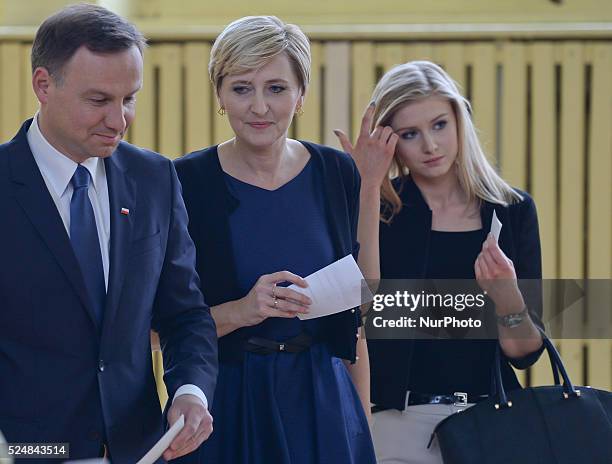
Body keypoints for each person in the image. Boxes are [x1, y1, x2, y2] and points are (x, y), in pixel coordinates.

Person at [0, 5, 217, 462]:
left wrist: (191, 391)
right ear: (43, 84)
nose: (119, 120)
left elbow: (185, 314)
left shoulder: (154, 178)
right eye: (99, 100)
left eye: (129, 99)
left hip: (139, 448)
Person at [174, 15, 375, 464]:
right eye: (241, 88)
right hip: (224, 401)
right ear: (220, 96)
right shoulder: (184, 182)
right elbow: (154, 330)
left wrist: (361, 426)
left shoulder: (336, 173)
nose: (259, 107)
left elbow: (357, 315)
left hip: (323, 399)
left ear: (301, 95)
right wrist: (241, 311)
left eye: (276, 88)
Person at [334, 60, 545, 463]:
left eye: (439, 125)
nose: (430, 146)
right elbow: (359, 304)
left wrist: (507, 298)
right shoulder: (376, 208)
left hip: (490, 421)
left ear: (459, 121)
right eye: (410, 134)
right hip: (395, 425)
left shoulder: (512, 210)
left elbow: (524, 353)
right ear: (390, 141)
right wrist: (367, 185)